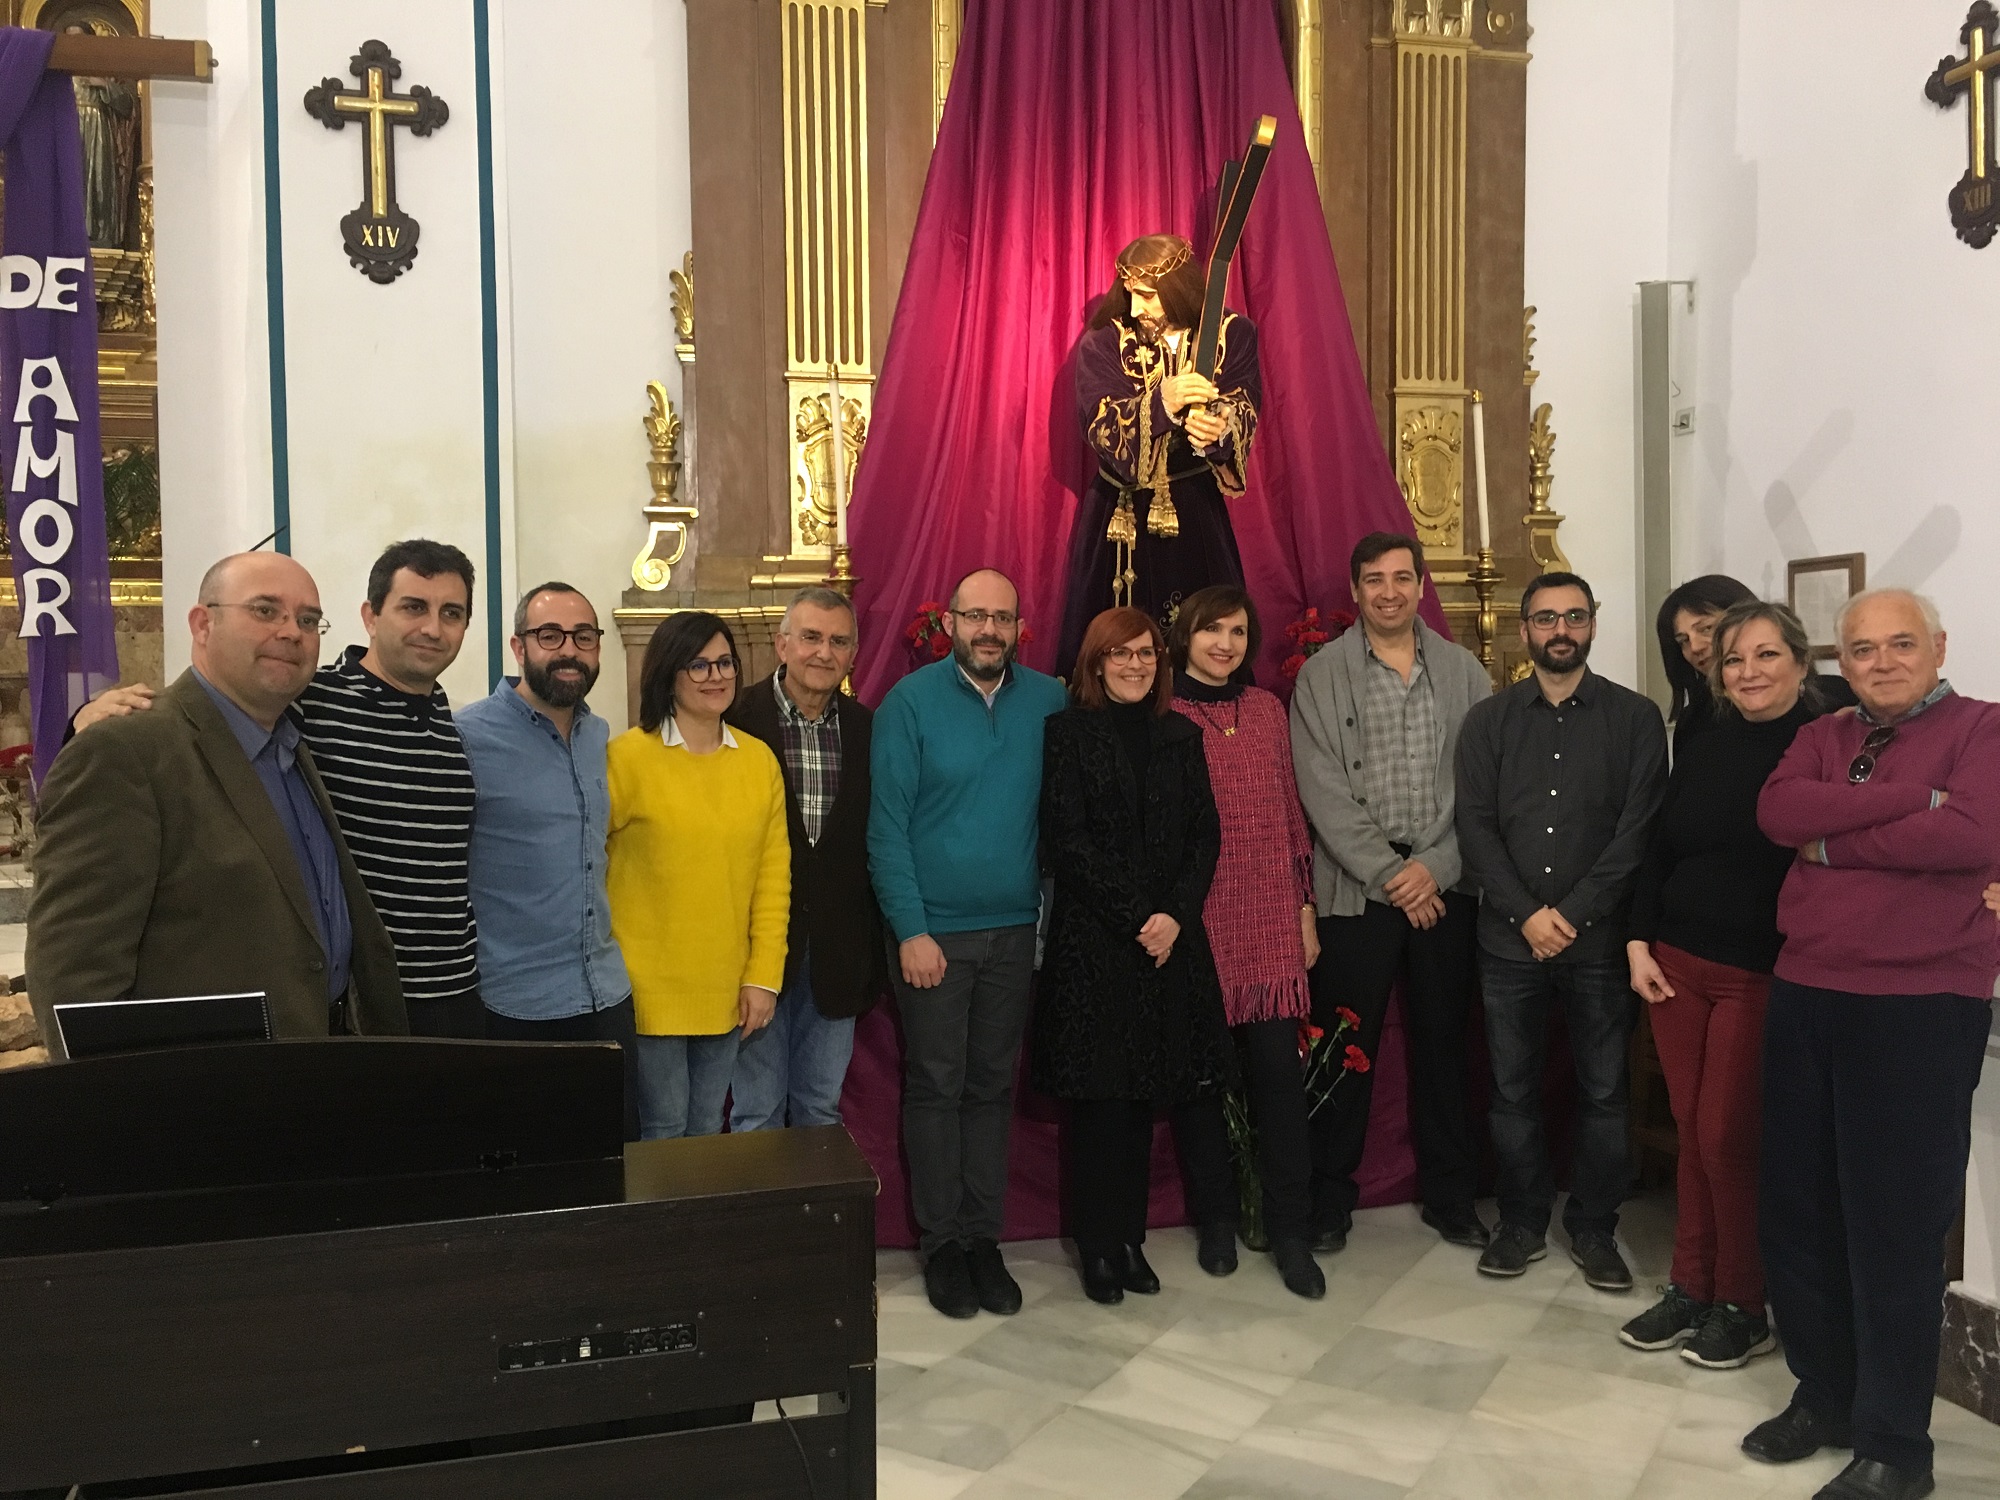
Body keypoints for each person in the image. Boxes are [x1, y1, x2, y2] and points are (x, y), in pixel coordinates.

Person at [1742, 589, 2000, 1500]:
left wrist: (1834, 843)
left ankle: (1896, 1445)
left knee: (1894, 1226)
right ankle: (1826, 1397)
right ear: (1840, 661)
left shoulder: (1984, 729)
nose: (1881, 662)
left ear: (1938, 647)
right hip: (1807, 989)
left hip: (1920, 1003)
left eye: (1900, 644)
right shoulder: (1822, 734)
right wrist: (1910, 804)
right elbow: (1780, 815)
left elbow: (1972, 831)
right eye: (1861, 649)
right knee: (1800, 1210)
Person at [77, 540, 485, 1038]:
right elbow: (207, 713)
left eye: (451, 613)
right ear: (371, 617)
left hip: (455, 992)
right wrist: (87, 717)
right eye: (413, 607)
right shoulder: (308, 699)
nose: (432, 628)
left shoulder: (452, 725)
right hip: (367, 1003)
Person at [27, 552, 406, 1043]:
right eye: (265, 610)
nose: (292, 632)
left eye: (308, 620)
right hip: (206, 1076)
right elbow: (73, 979)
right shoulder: (124, 751)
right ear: (203, 625)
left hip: (319, 1056)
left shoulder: (290, 744)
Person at [1622, 600, 1822, 1371]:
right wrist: (1638, 941)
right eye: (1734, 659)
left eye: (1767, 655)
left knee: (1726, 1140)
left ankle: (1743, 1304)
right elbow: (1660, 849)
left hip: (1756, 972)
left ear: (1800, 663)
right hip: (1675, 964)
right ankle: (1691, 1287)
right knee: (1690, 1133)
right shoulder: (1704, 740)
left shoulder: (1822, 743)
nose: (1748, 672)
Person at [1454, 571, 1667, 1290]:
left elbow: (1636, 834)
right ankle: (1520, 1222)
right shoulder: (1488, 721)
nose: (1561, 630)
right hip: (1508, 942)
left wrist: (1571, 915)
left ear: (1593, 624)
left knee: (1604, 1093)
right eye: (1546, 618)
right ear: (1525, 631)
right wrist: (1526, 914)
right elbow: (1475, 828)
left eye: (1574, 616)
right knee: (1512, 1091)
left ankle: (1595, 1227)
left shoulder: (1636, 719)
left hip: (1599, 943)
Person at [869, 568, 1069, 1319]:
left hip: (1016, 932)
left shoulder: (1049, 701)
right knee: (937, 1087)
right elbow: (887, 830)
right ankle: (943, 1244)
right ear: (950, 622)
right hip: (934, 938)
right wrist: (912, 930)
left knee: (991, 1089)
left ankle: (984, 1239)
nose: (990, 630)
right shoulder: (909, 703)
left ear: (1019, 627)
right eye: (976, 616)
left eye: (1003, 618)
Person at [1291, 532, 1495, 1254]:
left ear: (1421, 586)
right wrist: (1390, 874)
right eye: (1374, 579)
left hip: (1444, 885)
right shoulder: (1321, 676)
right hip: (1358, 890)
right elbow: (1321, 790)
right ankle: (1328, 1199)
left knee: (1445, 1047)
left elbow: (1483, 787)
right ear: (1355, 590)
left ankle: (1451, 1196)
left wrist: (1434, 867)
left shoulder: (1465, 672)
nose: (1389, 591)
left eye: (1402, 578)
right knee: (1344, 1047)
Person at [1033, 607, 1234, 1303]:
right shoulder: (1067, 733)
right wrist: (1137, 917)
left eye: (1146, 653)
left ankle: (1130, 1240)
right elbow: (1067, 840)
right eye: (1120, 654)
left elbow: (1205, 836)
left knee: (1145, 1100)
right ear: (1096, 662)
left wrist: (1173, 915)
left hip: (1166, 946)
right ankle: (1097, 1247)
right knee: (1101, 1107)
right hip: (1096, 946)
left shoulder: (1181, 734)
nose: (1135, 664)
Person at [1165, 585, 1325, 1298]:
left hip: (1268, 924)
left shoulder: (1265, 710)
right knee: (1203, 1084)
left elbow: (1291, 817)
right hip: (1196, 922)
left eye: (1236, 631)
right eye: (1211, 631)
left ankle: (1291, 1231)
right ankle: (1218, 1223)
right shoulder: (1164, 713)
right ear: (1186, 637)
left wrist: (1304, 911)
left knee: (1279, 1085)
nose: (1224, 644)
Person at [458, 583, 639, 1138]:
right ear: (518, 646)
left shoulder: (598, 735)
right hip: (515, 1007)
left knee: (616, 1165)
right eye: (550, 635)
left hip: (607, 998)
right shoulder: (466, 738)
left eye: (583, 637)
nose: (569, 650)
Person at [609, 613, 789, 1139]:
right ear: (668, 674)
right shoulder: (626, 758)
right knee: (662, 1130)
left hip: (727, 989)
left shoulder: (758, 762)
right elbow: (586, 868)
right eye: (699, 665)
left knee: (708, 1131)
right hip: (647, 989)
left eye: (725, 663)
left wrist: (762, 977)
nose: (717, 676)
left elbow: (773, 880)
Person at [1056, 233, 1262, 669]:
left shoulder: (1232, 333)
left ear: (1177, 288)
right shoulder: (1104, 342)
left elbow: (1244, 404)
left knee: (1200, 632)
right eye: (1130, 293)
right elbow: (1101, 424)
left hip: (1195, 510)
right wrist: (1162, 403)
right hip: (1120, 513)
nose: (1135, 308)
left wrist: (1219, 429)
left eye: (1148, 295)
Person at [726, 587, 884, 1131]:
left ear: (853, 655)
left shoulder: (869, 730)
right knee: (757, 1112)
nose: (823, 652)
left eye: (838, 642)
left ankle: (815, 1196)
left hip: (839, 955)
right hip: (755, 953)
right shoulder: (735, 720)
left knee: (820, 1110)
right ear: (783, 645)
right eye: (811, 637)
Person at [1655, 575, 1756, 759]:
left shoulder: (1803, 706)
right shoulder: (1691, 722)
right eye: (1683, 640)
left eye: (1706, 628)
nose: (1695, 647)